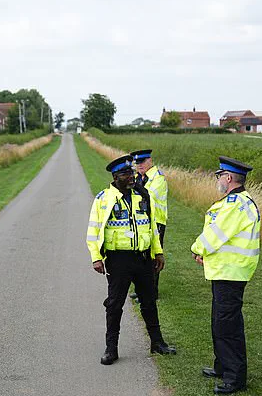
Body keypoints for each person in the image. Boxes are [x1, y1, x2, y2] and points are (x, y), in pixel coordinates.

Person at [86, 155, 176, 365]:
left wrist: (158, 252)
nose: (131, 177)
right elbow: (93, 231)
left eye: (132, 173)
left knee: (149, 301)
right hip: (118, 260)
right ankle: (111, 349)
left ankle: (157, 343)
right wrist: (96, 258)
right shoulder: (103, 199)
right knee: (114, 305)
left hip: (143, 258)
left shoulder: (142, 195)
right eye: (126, 174)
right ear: (115, 177)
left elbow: (152, 227)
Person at [191, 156, 260, 394]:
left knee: (228, 327)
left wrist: (197, 249)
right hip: (225, 271)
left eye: (219, 176)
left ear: (228, 178)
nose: (218, 180)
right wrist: (207, 255)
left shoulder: (235, 204)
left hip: (231, 273)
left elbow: (216, 235)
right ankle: (222, 366)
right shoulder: (237, 202)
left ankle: (235, 377)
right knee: (219, 322)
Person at [129, 149, 168, 301]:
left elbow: (147, 196)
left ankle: (151, 293)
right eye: (137, 163)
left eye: (143, 162)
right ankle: (140, 290)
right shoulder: (138, 177)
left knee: (153, 257)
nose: (140, 165)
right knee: (140, 256)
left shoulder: (158, 178)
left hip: (156, 222)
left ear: (150, 161)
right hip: (142, 222)